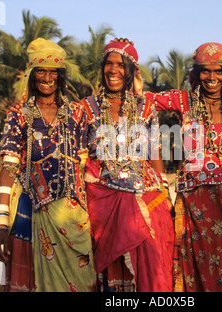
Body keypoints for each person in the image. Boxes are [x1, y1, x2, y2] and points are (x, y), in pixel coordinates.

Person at [136, 42, 222, 291]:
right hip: (194, 203)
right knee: (197, 265)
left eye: (218, 71)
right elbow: (144, 100)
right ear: (196, 74)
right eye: (205, 70)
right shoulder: (184, 102)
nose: (212, 77)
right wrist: (134, 76)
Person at [0, 38, 96, 292]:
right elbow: (9, 167)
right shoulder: (18, 115)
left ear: (61, 76)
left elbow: (87, 165)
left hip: (75, 215)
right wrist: (0, 225)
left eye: (53, 72)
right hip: (31, 211)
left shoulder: (77, 113)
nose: (47, 77)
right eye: (41, 70)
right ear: (32, 74)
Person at [80, 38, 174, 292]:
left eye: (121, 65)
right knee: (110, 271)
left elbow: (155, 151)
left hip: (147, 195)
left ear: (131, 70)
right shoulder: (85, 108)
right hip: (102, 197)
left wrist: (166, 192)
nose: (113, 70)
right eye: (108, 64)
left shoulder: (146, 108)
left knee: (154, 263)